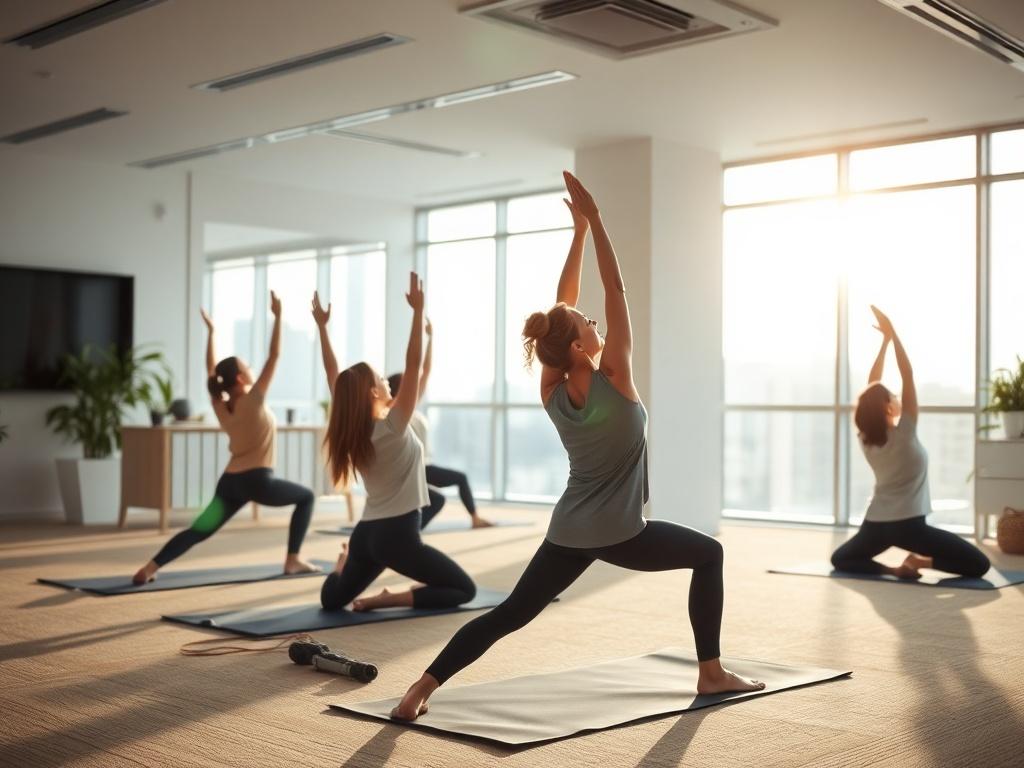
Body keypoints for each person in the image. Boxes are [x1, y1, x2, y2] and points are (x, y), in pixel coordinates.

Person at [391, 172, 764, 721]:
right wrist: (597, 220)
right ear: (580, 344)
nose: (595, 318)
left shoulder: (551, 387)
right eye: (588, 322)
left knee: (511, 613)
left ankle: (417, 691)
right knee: (710, 554)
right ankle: (710, 671)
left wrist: (579, 232)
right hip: (621, 532)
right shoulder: (617, 373)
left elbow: (560, 312)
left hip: (568, 530)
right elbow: (614, 291)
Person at [314, 276, 476, 611]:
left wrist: (323, 329)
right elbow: (413, 364)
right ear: (373, 392)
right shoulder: (393, 425)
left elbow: (336, 378)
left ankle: (341, 566)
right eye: (381, 379)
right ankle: (387, 599)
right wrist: (418, 313)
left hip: (366, 535)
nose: (388, 381)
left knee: (332, 601)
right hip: (398, 538)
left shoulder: (353, 428)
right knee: (464, 590)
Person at [133, 295, 318, 585]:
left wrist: (212, 334)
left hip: (230, 482)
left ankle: (150, 567)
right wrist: (279, 317)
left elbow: (211, 371)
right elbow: (274, 355)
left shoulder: (221, 405)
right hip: (258, 480)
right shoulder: (254, 399)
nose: (253, 370)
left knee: (199, 530)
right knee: (306, 497)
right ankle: (292, 559)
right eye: (248, 369)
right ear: (243, 379)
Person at [830, 306, 990, 579]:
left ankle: (893, 570)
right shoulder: (905, 430)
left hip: (876, 524)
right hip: (910, 527)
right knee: (979, 565)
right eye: (891, 395)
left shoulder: (865, 438)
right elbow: (907, 374)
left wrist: (884, 343)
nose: (896, 396)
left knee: (841, 559)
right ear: (885, 406)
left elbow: (872, 387)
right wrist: (893, 334)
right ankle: (918, 562)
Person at [387, 319, 493, 530]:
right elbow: (418, 369)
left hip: (422, 465)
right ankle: (411, 531)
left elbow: (425, 371)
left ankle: (473, 518)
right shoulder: (396, 412)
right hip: (412, 468)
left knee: (452, 485)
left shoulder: (411, 407)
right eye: (410, 384)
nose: (416, 387)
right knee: (440, 496)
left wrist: (431, 338)